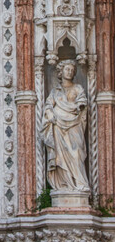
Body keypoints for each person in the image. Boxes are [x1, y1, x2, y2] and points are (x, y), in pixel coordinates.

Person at [41, 60, 89, 192]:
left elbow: (82, 100)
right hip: (58, 125)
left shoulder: (78, 88)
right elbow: (48, 105)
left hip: (74, 124)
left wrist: (80, 105)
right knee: (60, 156)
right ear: (61, 72)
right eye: (67, 69)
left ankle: (80, 183)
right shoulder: (55, 91)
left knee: (77, 152)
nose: (69, 72)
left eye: (72, 70)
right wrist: (50, 113)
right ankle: (64, 184)